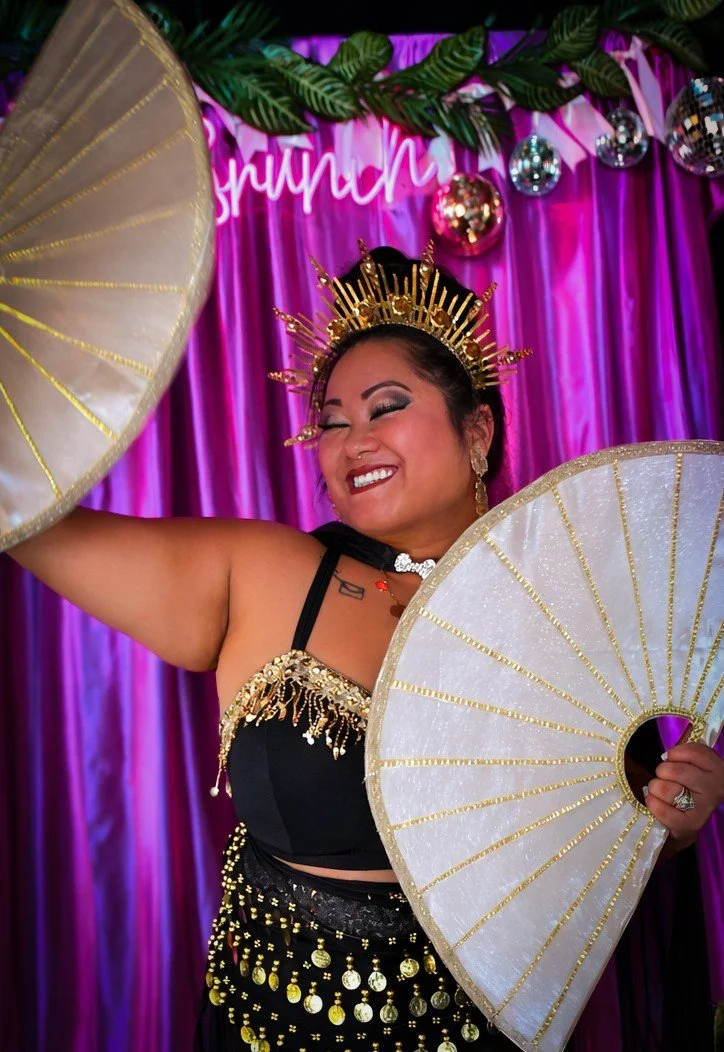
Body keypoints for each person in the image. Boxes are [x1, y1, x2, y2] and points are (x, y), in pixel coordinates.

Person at [7, 245, 723, 1052]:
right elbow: (23, 511)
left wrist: (680, 819)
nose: (352, 440)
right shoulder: (263, 574)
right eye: (332, 422)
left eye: (386, 407)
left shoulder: (565, 615)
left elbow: (601, 872)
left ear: (478, 427)